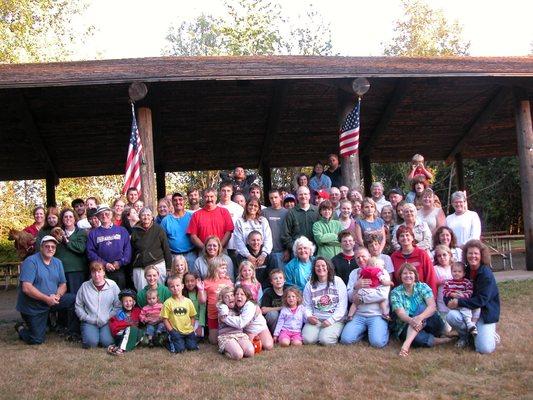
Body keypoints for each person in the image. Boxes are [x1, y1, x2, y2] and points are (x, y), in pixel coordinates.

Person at [15, 235, 78, 345]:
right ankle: (20, 328)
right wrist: (46, 299)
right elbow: (26, 288)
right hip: (33, 307)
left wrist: (58, 295)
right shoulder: (31, 262)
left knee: (75, 299)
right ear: (41, 247)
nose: (50, 249)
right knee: (37, 339)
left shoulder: (58, 262)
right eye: (47, 246)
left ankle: (71, 331)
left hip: (52, 301)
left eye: (53, 247)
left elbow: (63, 284)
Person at [447, 240, 500, 353]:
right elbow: (451, 287)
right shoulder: (465, 271)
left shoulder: (486, 274)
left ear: (481, 255)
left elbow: (482, 300)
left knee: (484, 349)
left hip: (484, 313)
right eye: (470, 253)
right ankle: (465, 336)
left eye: (476, 253)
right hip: (467, 311)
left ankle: (489, 334)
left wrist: (459, 302)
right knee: (451, 316)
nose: (473, 256)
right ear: (465, 255)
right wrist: (449, 299)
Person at [390, 263, 451, 357]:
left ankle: (406, 345)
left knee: (422, 307)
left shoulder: (423, 287)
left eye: (410, 273)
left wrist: (419, 318)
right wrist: (412, 321)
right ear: (400, 276)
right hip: (407, 324)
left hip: (431, 322)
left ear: (415, 275)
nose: (408, 276)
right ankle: (440, 340)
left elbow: (432, 306)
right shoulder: (395, 292)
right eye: (404, 273)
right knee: (417, 339)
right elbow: (400, 313)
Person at [340, 248, 390, 348]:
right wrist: (356, 286)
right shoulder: (354, 273)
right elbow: (349, 298)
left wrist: (362, 299)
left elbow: (382, 295)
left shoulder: (381, 272)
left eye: (363, 256)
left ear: (370, 257)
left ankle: (382, 330)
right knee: (345, 340)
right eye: (357, 257)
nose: (361, 259)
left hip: (377, 314)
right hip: (358, 315)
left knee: (377, 343)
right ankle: (364, 332)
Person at [75, 260, 121, 349]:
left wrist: (108, 317)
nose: (97, 275)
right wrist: (86, 318)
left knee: (107, 343)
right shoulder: (84, 286)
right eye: (94, 272)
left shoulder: (112, 285)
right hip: (90, 321)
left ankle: (102, 337)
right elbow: (78, 306)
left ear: (104, 272)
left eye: (99, 271)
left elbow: (118, 305)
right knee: (91, 344)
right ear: (91, 273)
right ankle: (93, 336)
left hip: (107, 320)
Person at [302, 257, 347, 346]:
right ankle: (320, 332)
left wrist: (331, 320)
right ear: (314, 269)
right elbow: (306, 305)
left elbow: (342, 305)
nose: (320, 268)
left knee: (325, 340)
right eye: (317, 266)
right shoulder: (309, 284)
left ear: (328, 267)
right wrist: (309, 317)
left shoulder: (337, 281)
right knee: (307, 340)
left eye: (323, 265)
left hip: (335, 319)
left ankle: (327, 333)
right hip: (316, 319)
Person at [86, 205, 132, 289]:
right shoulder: (93, 234)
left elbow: (128, 251)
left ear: (111, 214)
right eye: (101, 214)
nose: (104, 216)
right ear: (98, 217)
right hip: (101, 271)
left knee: (120, 296)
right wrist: (105, 264)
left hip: (119, 270)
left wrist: (120, 262)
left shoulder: (122, 230)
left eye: (106, 213)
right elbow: (90, 253)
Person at [130, 207, 172, 291]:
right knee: (142, 292)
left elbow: (166, 248)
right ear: (139, 217)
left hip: (157, 263)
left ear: (152, 217)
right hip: (140, 265)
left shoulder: (158, 229)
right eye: (143, 215)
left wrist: (168, 268)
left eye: (148, 215)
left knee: (159, 291)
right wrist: (131, 270)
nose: (146, 217)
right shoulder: (134, 231)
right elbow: (131, 251)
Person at [221, 285, 274, 350]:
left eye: (242, 294)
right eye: (237, 294)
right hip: (249, 331)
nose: (239, 296)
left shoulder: (249, 305)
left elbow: (241, 323)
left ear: (247, 297)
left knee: (268, 346)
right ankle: (255, 339)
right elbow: (222, 304)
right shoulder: (234, 304)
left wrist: (225, 318)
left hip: (260, 328)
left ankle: (259, 337)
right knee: (250, 349)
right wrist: (223, 310)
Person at [390, 225, 437, 297]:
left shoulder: (422, 254)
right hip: (401, 297)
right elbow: (393, 280)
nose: (405, 238)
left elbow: (430, 276)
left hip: (422, 295)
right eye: (402, 236)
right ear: (398, 239)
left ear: (412, 237)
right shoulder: (394, 257)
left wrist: (432, 298)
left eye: (407, 235)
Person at [53, 208, 88, 295]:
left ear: (74, 219)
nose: (68, 218)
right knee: (61, 297)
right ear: (62, 219)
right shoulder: (57, 232)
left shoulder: (81, 232)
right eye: (65, 217)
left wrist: (67, 241)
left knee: (76, 297)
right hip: (60, 270)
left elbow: (81, 248)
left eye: (70, 217)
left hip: (76, 271)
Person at [346, 257, 393, 321]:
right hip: (373, 290)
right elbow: (383, 282)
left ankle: (350, 316)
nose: (383, 267)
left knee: (355, 303)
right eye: (382, 265)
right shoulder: (377, 271)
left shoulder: (363, 271)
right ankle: (385, 314)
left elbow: (359, 279)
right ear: (376, 264)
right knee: (382, 301)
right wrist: (390, 283)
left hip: (362, 290)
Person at [162, 275, 199, 353]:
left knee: (192, 348)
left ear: (182, 286)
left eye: (177, 285)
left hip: (188, 331)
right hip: (176, 331)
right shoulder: (168, 303)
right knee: (180, 350)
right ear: (169, 289)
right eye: (172, 286)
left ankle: (184, 341)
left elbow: (192, 316)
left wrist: (191, 327)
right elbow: (165, 319)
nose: (175, 288)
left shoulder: (188, 301)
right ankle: (168, 341)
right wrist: (171, 331)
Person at [216, 286, 255, 360]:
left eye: (232, 295)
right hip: (226, 336)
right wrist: (223, 308)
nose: (230, 298)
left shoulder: (238, 307)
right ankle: (225, 351)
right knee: (238, 355)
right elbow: (221, 307)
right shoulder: (223, 308)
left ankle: (236, 346)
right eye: (226, 297)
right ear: (223, 300)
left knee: (250, 352)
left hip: (239, 334)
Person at [161, 192, 197, 271]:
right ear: (172, 203)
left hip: (190, 254)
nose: (178, 202)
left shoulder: (191, 217)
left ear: (184, 201)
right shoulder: (166, 220)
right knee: (176, 281)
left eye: (180, 199)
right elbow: (163, 241)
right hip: (174, 256)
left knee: (191, 279)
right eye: (175, 200)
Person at [443, 262, 480, 336]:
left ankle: (473, 324)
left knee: (477, 309)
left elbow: (470, 292)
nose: (456, 273)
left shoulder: (466, 282)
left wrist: (462, 296)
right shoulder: (448, 283)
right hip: (456, 305)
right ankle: (469, 325)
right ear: (451, 272)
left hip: (464, 301)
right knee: (464, 309)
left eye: (459, 272)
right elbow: (445, 291)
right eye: (454, 271)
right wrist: (452, 294)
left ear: (464, 273)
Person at [203, 256, 234, 344]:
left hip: (227, 314)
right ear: (215, 268)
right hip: (213, 314)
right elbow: (202, 301)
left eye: (225, 268)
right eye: (222, 268)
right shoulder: (206, 282)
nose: (225, 270)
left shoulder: (228, 281)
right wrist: (201, 290)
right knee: (214, 341)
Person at [234, 198, 273, 264]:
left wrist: (263, 255)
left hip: (261, 254)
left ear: (259, 208)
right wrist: (248, 256)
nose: (252, 207)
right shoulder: (240, 221)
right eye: (250, 205)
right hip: (244, 255)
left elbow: (268, 239)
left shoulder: (263, 220)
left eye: (255, 206)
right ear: (246, 206)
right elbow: (238, 241)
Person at [281, 186, 319, 253]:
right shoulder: (291, 213)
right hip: (297, 253)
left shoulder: (317, 211)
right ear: (297, 197)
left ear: (309, 196)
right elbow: (285, 235)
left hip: (316, 252)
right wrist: (295, 248)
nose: (303, 196)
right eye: (300, 194)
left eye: (305, 194)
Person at [218, 181, 245, 266]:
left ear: (232, 192)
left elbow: (243, 227)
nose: (226, 193)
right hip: (221, 248)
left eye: (228, 191)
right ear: (219, 192)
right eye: (223, 190)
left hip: (236, 247)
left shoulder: (239, 208)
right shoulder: (215, 208)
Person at [107, 288, 142, 355]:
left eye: (130, 301)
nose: (128, 303)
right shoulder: (119, 313)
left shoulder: (137, 311)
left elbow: (140, 322)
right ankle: (121, 349)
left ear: (134, 302)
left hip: (133, 334)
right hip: (120, 335)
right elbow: (115, 327)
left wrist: (127, 324)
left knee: (138, 333)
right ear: (122, 303)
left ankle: (116, 347)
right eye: (126, 301)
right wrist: (129, 324)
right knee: (130, 329)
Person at [262, 189, 289, 269]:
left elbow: (290, 232)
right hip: (267, 251)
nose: (274, 200)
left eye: (276, 197)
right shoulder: (264, 212)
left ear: (281, 197)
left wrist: (288, 249)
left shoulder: (287, 213)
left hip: (282, 251)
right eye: (271, 198)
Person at [260, 268, 288, 334]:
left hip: (285, 318)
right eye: (275, 278)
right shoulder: (268, 292)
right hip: (273, 320)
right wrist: (280, 308)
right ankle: (276, 333)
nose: (278, 280)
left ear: (284, 280)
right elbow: (263, 310)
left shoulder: (288, 291)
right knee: (273, 314)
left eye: (280, 278)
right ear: (271, 282)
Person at [432, 245, 454, 327]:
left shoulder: (454, 267)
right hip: (442, 301)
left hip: (454, 300)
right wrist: (441, 282)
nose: (442, 257)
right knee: (446, 328)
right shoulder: (435, 269)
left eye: (444, 255)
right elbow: (432, 283)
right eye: (439, 256)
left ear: (449, 255)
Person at [183, 272, 206, 339]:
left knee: (198, 335)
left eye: (192, 281)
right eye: (187, 281)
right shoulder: (182, 293)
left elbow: (202, 309)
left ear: (196, 281)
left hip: (197, 320)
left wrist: (200, 325)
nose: (189, 283)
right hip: (186, 319)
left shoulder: (201, 292)